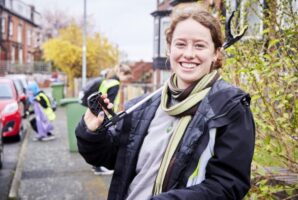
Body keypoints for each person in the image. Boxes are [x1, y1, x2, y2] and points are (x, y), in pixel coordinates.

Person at [75, 3, 255, 200]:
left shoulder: (230, 108)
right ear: (169, 50)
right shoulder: (143, 106)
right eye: (180, 44)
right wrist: (92, 133)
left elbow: (228, 185)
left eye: (199, 45)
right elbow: (112, 159)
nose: (188, 53)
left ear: (216, 53)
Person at [80, 64, 132, 175]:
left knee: (98, 138)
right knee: (105, 140)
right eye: (126, 78)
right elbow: (110, 100)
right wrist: (113, 115)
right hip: (106, 114)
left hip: (98, 112)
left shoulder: (107, 80)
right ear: (122, 74)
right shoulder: (115, 83)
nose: (125, 80)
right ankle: (99, 167)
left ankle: (96, 166)